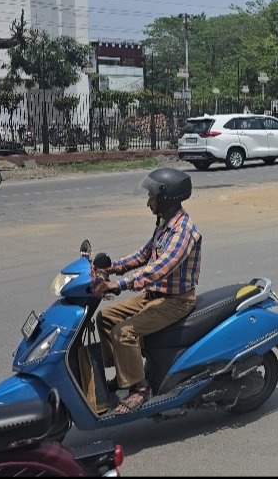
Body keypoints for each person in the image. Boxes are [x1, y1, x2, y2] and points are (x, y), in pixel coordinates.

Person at [92, 167, 201, 414]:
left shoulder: (183, 231)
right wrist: (110, 267)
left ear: (167, 197)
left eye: (152, 196)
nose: (148, 202)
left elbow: (158, 269)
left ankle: (140, 388)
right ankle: (125, 376)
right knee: (105, 317)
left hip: (176, 301)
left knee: (124, 332)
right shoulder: (165, 225)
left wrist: (120, 284)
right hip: (153, 295)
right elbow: (143, 255)